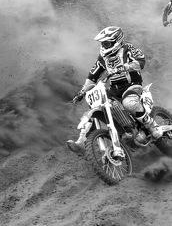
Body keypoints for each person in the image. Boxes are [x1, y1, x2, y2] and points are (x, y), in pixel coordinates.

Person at [67, 26, 162, 154]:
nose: (104, 46)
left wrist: (125, 66)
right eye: (102, 43)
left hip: (132, 85)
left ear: (116, 41)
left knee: (129, 103)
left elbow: (141, 62)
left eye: (106, 43)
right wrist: (82, 92)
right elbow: (92, 77)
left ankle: (152, 126)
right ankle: (82, 142)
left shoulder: (127, 48)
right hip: (115, 89)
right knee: (97, 106)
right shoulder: (103, 58)